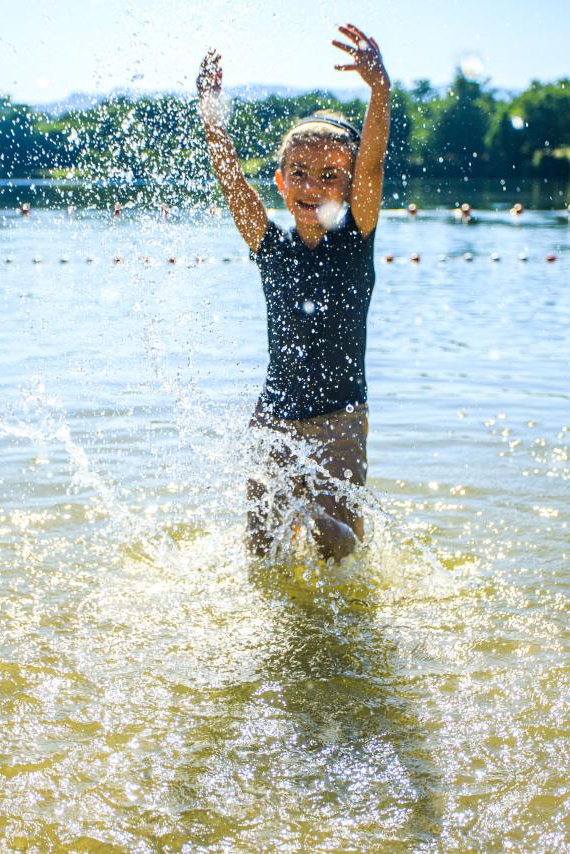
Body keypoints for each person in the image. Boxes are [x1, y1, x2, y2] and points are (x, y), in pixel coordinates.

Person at [197, 23, 390, 562]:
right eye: (298, 173)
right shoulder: (269, 244)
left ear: (351, 187)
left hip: (340, 419)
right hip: (274, 419)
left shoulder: (357, 240)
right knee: (264, 547)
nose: (311, 187)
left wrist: (380, 92)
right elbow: (231, 178)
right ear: (279, 182)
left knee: (337, 545)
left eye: (331, 175)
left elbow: (373, 161)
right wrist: (211, 110)